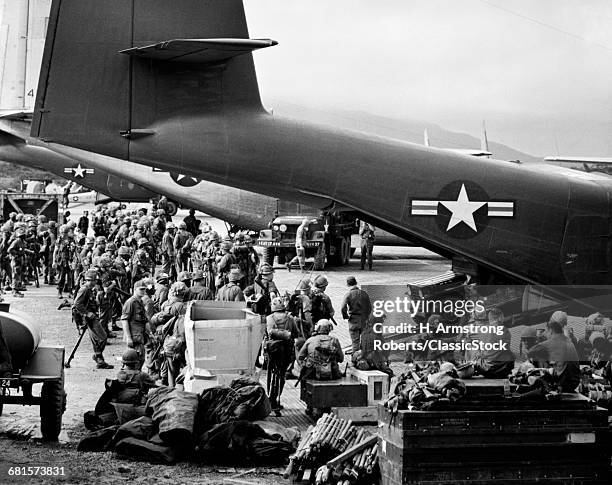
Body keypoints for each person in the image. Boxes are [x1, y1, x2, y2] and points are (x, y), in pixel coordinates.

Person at [528, 311, 580, 392]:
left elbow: (530, 352)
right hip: (573, 384)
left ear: (551, 330)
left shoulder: (552, 342)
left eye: (547, 330)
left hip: (563, 385)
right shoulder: (569, 341)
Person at [72, 269, 113, 369]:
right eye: (95, 280)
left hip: (91, 316)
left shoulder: (90, 289)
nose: (96, 282)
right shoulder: (84, 289)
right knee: (102, 336)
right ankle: (98, 356)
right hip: (86, 317)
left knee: (96, 338)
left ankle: (99, 359)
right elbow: (77, 304)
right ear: (92, 280)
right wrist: (86, 313)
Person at [265, 297, 298, 413]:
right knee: (282, 374)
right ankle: (277, 398)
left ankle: (270, 398)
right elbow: (296, 333)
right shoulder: (290, 318)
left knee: (271, 374)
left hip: (272, 351)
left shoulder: (269, 318)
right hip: (285, 351)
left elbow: (266, 333)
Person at [472, 307, 514, 379]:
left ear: (489, 318)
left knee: (476, 354)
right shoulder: (506, 331)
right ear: (500, 318)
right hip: (503, 371)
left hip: (487, 371)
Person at [120, 280, 150, 369]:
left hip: (139, 337)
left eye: (144, 289)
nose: (143, 291)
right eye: (141, 289)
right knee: (133, 361)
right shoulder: (130, 302)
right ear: (135, 289)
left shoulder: (140, 302)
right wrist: (128, 338)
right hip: (134, 338)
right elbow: (124, 321)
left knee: (140, 360)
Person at [340, 276, 372, 353]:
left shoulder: (348, 294)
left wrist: (346, 316)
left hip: (353, 319)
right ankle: (365, 358)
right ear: (356, 283)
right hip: (364, 320)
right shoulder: (364, 293)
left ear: (347, 284)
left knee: (355, 342)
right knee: (365, 341)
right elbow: (369, 307)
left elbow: (343, 307)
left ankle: (355, 360)